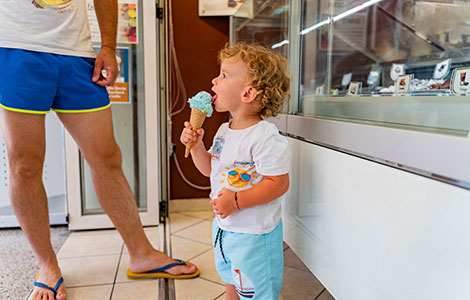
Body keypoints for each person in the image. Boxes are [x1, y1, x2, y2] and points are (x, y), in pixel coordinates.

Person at [0, 1, 198, 299]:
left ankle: (142, 254)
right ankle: (47, 265)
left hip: (77, 52)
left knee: (107, 157)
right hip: (15, 46)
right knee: (25, 165)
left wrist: (107, 45)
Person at [180, 42, 290, 300]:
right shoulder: (223, 131)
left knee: (255, 292)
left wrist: (237, 201)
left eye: (224, 75)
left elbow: (278, 183)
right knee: (232, 281)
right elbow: (210, 169)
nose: (214, 80)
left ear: (248, 94)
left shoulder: (264, 136)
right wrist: (197, 146)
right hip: (226, 228)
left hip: (253, 234)